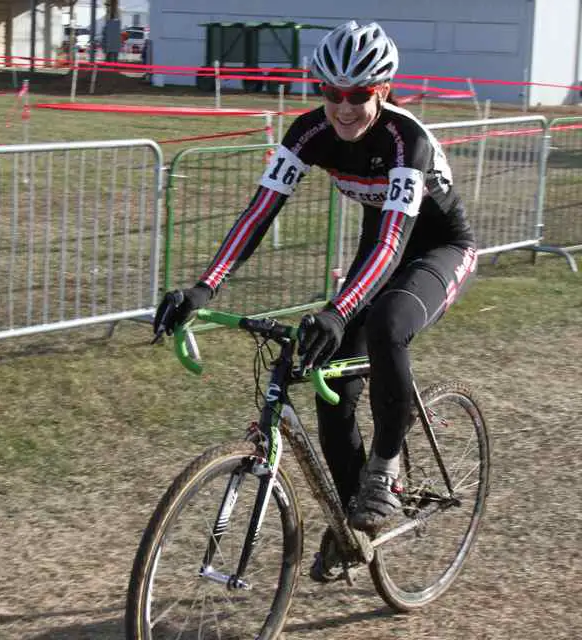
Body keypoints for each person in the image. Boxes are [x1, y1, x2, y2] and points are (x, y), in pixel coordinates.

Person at [153, 21, 477, 580]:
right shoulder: (307, 133)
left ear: (383, 90)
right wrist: (204, 285)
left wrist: (339, 309)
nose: (343, 107)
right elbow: (259, 212)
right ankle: (352, 526)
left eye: (358, 95)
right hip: (380, 249)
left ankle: (386, 470)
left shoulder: (407, 140)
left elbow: (396, 240)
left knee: (388, 324)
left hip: (437, 248)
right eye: (331, 93)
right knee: (330, 385)